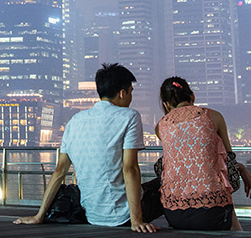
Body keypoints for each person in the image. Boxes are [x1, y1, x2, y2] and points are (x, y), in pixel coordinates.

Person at [14, 63, 159, 233]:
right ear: (122, 93)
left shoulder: (75, 121)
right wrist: (136, 221)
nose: (130, 98)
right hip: (123, 216)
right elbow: (130, 169)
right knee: (166, 185)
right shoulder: (129, 116)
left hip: (92, 215)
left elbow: (59, 170)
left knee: (149, 187)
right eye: (130, 93)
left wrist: (39, 216)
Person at [155, 77, 251, 231]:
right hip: (212, 214)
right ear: (192, 96)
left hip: (174, 214)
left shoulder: (160, 126)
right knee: (220, 189)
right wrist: (241, 168)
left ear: (166, 105)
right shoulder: (214, 117)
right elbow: (229, 162)